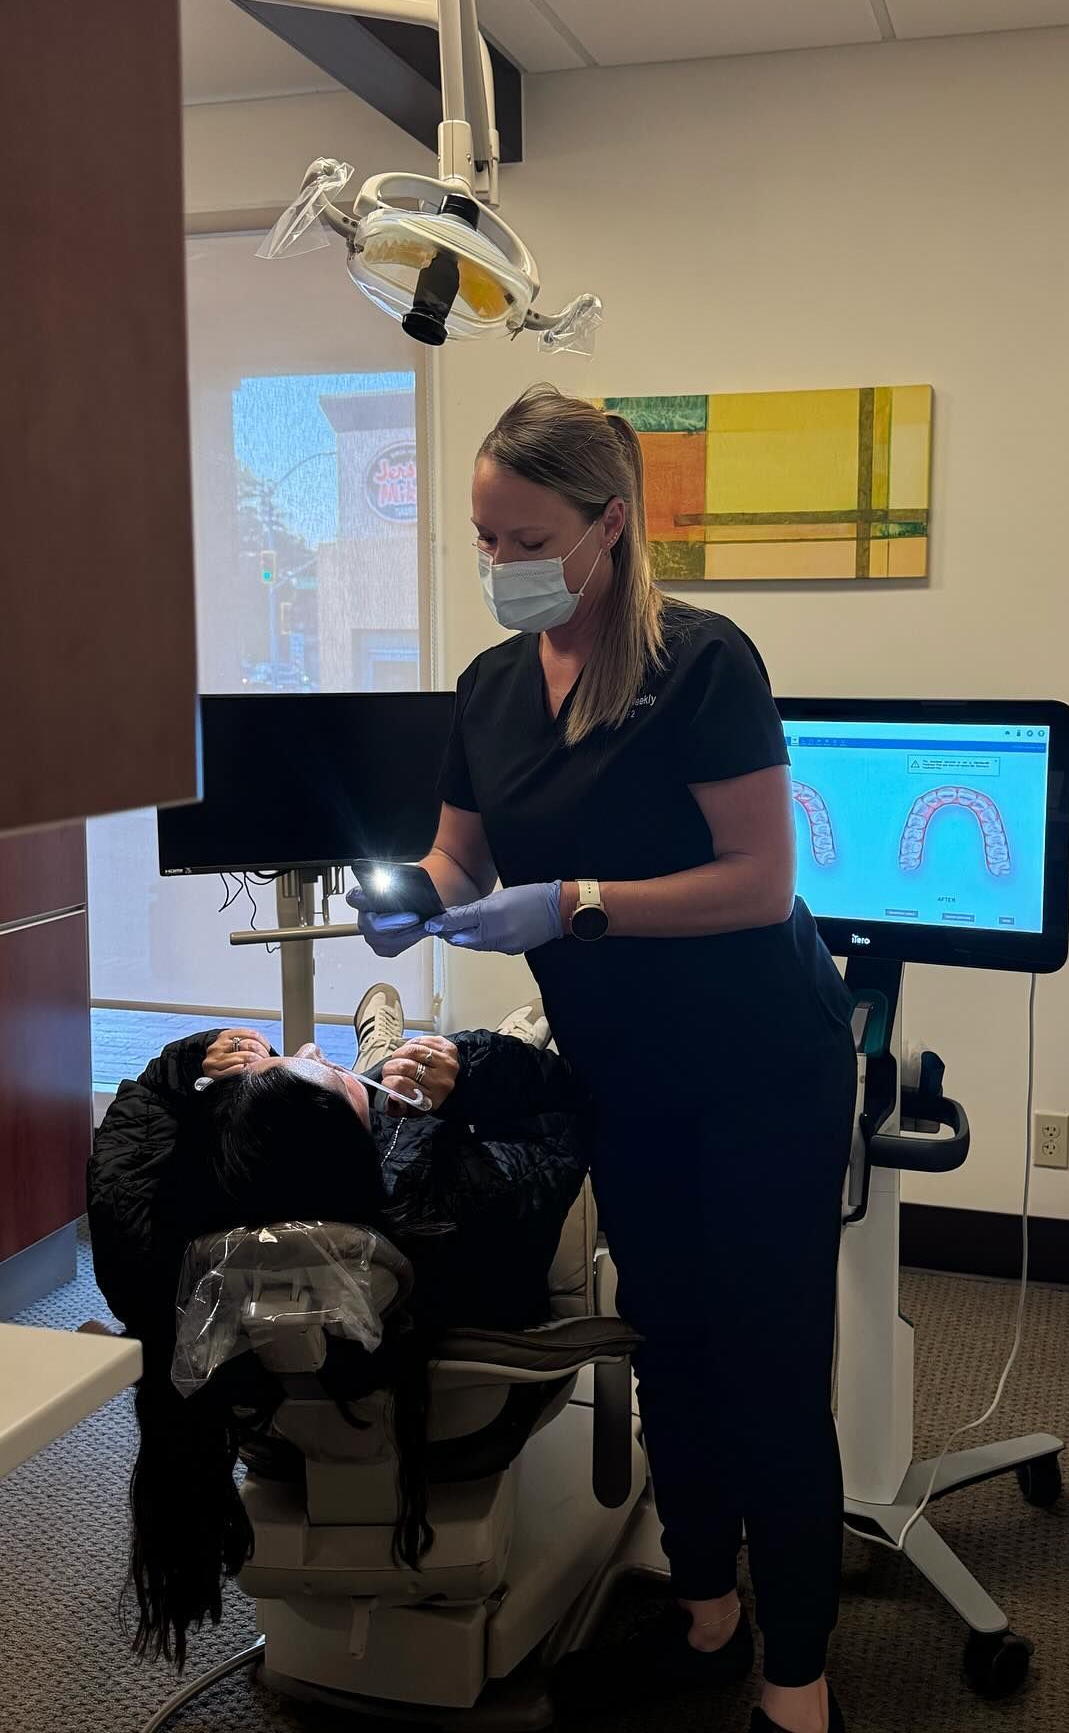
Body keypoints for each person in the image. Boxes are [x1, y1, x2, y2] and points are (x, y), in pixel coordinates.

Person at [347, 386, 858, 1733]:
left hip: (762, 1072)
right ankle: (707, 1616)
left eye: (523, 539)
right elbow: (462, 851)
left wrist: (575, 901)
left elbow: (758, 882)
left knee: (765, 1365)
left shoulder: (703, 666)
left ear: (608, 527)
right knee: (671, 1348)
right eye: (481, 538)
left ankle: (799, 1686)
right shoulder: (492, 687)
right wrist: (406, 894)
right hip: (627, 1074)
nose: (499, 565)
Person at [87, 981, 591, 1667]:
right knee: (444, 1091)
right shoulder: (460, 1211)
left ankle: (386, 1055)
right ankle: (407, 1056)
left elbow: (130, 1142)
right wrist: (474, 1070)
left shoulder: (156, 1250)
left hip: (272, 1432)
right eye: (318, 1066)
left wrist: (183, 1066)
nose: (306, 1043)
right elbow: (566, 1108)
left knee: (402, 1101)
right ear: (347, 1140)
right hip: (464, 1426)